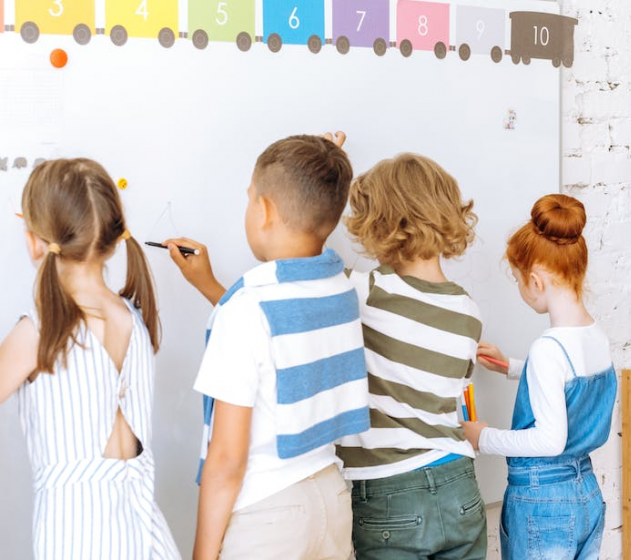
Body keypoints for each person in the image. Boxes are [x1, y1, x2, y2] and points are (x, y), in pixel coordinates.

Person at [164, 135, 370, 560]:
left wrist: (203, 553)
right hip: (331, 499)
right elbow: (282, 328)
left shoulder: (245, 311)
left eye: (249, 199)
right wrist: (209, 286)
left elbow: (226, 459)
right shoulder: (339, 287)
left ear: (265, 210)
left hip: (267, 516)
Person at [0, 158, 180, 560]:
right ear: (114, 239)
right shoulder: (134, 320)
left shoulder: (41, 331)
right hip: (143, 534)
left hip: (75, 536)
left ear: (34, 240)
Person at [334, 151, 488, 559]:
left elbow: (290, 282)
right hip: (459, 483)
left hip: (389, 491)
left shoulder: (366, 291)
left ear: (382, 225)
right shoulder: (469, 309)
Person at [462, 194, 615, 560]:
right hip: (586, 492)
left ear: (535, 281)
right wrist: (514, 367)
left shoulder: (549, 348)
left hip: (542, 499)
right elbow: (569, 384)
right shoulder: (596, 336)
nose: (519, 288)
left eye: (516, 279)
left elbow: (549, 441)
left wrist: (483, 438)